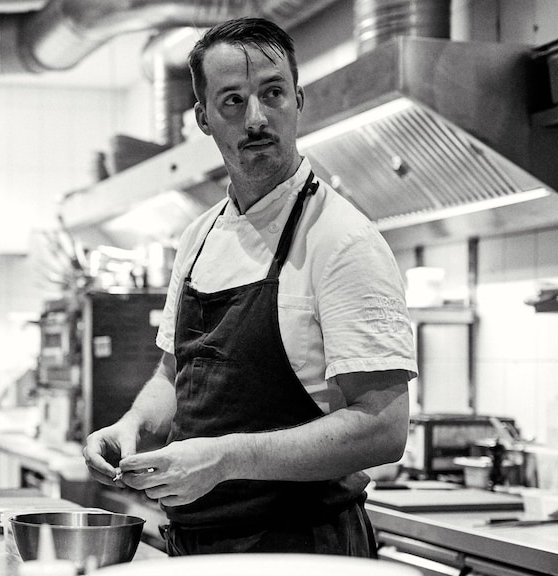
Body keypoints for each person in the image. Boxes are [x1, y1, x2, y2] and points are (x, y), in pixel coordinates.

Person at [82, 17, 417, 557]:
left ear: (298, 100)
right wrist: (134, 425)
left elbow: (384, 430)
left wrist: (225, 458)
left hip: (303, 551)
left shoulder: (342, 239)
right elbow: (175, 372)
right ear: (204, 119)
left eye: (273, 93)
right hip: (199, 545)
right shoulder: (199, 236)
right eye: (233, 101)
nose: (257, 117)